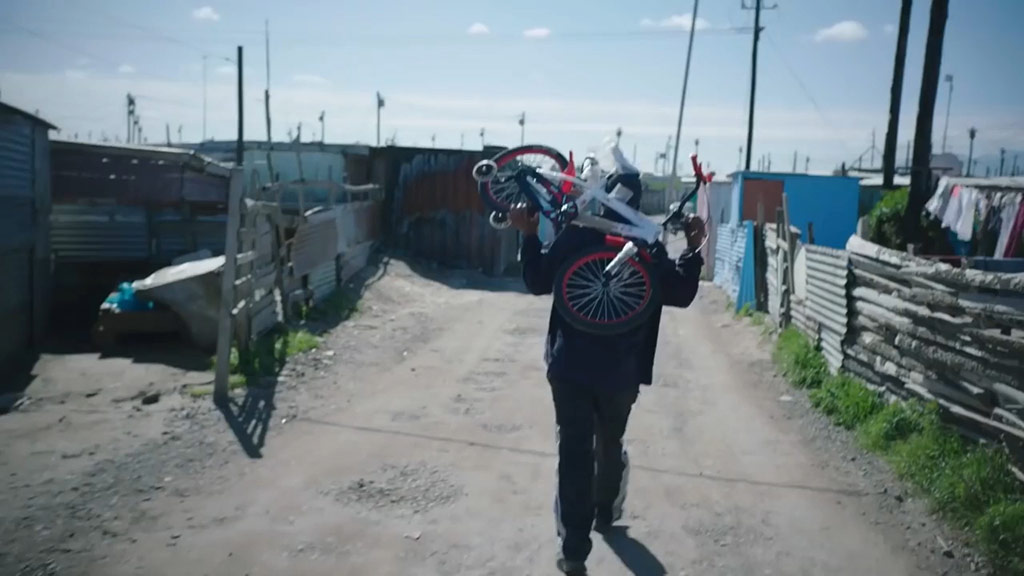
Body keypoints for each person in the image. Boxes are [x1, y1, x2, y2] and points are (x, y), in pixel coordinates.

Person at [508, 171, 705, 576]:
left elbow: (537, 280)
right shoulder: (647, 243)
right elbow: (681, 293)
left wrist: (527, 234)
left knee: (574, 451)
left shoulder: (577, 235)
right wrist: (693, 247)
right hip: (622, 371)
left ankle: (574, 551)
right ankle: (605, 510)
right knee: (610, 441)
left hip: (569, 367)